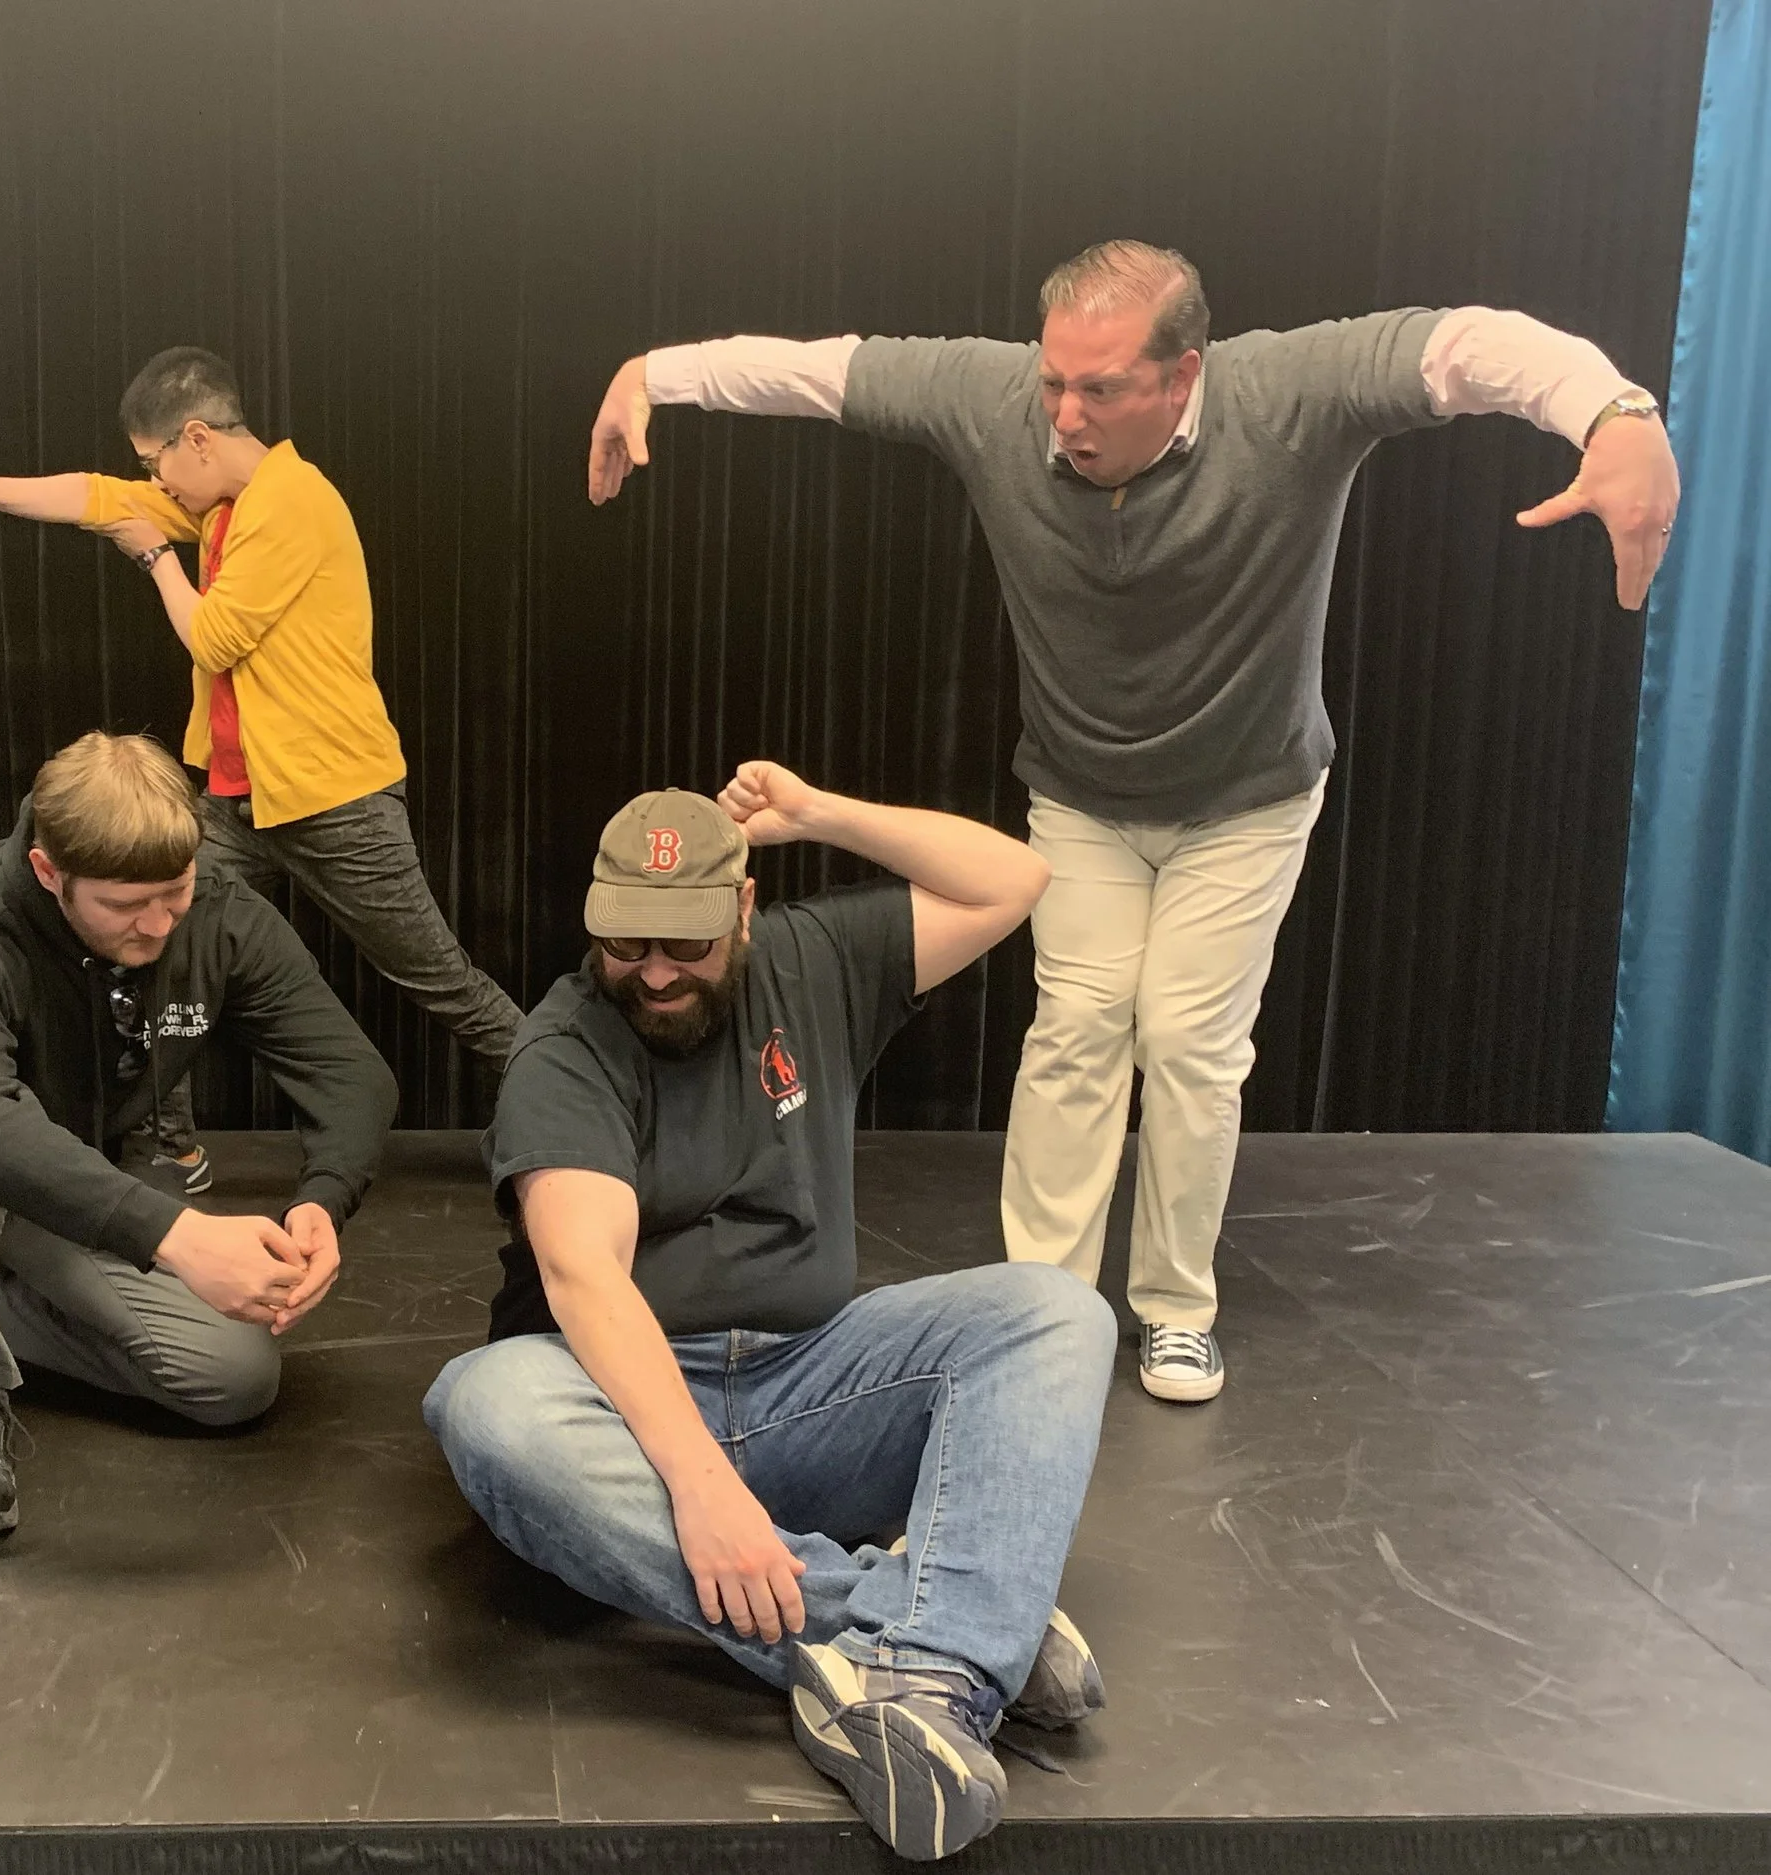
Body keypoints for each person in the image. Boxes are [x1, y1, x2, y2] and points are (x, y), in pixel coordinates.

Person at [586, 240, 1683, 1404]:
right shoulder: (994, 400)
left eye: (1100, 389)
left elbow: (1467, 348)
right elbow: (821, 371)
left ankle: (1174, 1308)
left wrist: (1613, 413)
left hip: (1248, 801)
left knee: (1190, 1044)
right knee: (1076, 1030)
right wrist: (652, 372)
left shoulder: (1290, 395)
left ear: (1183, 373)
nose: (1064, 415)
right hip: (1084, 798)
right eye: (1054, 381)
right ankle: (1038, 1314)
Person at [424, 763, 1115, 1863]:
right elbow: (584, 1276)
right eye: (626, 942)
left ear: (743, 908)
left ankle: (933, 1646)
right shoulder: (563, 1046)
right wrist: (700, 1485)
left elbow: (1012, 880)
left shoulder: (813, 958)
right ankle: (940, 1639)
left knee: (1053, 1312)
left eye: (685, 943)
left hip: (812, 1380)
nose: (654, 972)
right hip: (624, 1417)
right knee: (487, 1406)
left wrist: (822, 816)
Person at [0, 349, 519, 1192]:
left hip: (335, 797)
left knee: (437, 978)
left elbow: (214, 637)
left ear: (195, 438)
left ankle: (564, 1107)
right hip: (237, 800)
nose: (153, 480)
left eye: (155, 461)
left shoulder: (293, 501)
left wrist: (155, 558)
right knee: (159, 945)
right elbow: (102, 499)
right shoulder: (226, 505)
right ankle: (166, 1143)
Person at [0, 732, 397, 1536]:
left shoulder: (217, 912)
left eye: (174, 892)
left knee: (231, 1378)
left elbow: (352, 1072)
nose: (157, 924)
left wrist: (323, 1199)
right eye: (123, 905)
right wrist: (179, 1236)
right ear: (50, 872)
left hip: (53, 1172)